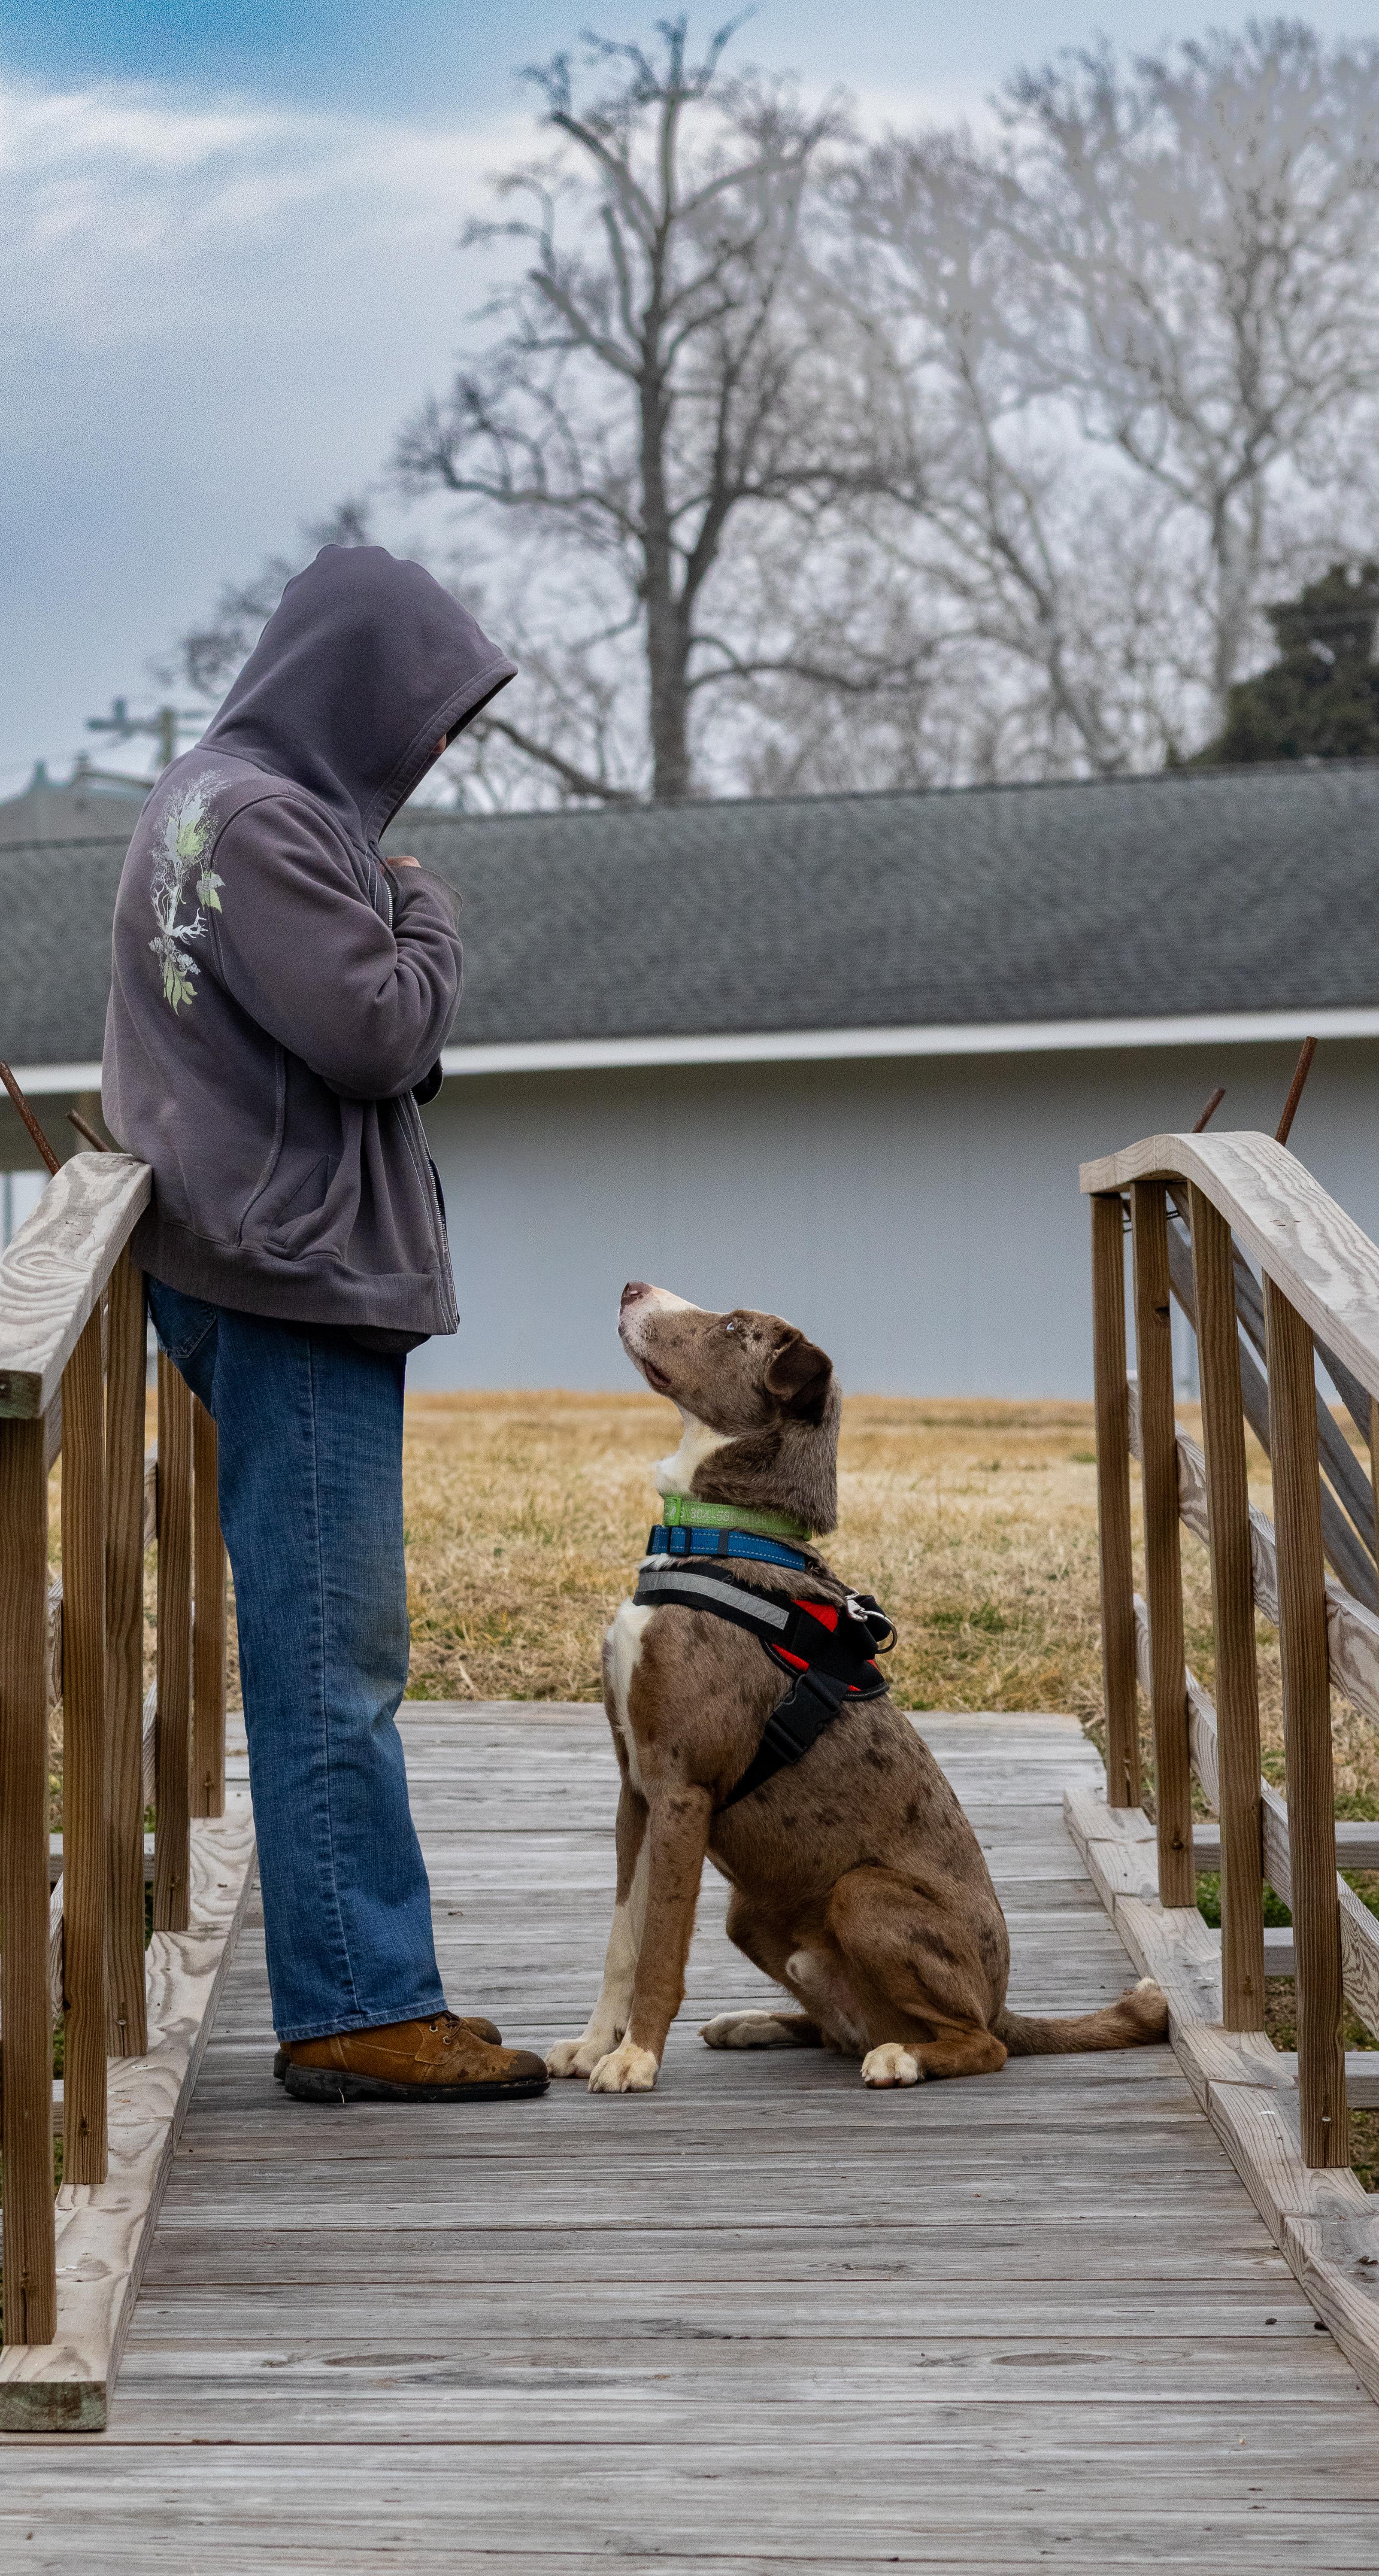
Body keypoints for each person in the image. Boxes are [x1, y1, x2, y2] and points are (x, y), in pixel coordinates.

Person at [102, 544, 549, 2105]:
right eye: (427, 713)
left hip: (246, 1256)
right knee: (330, 1655)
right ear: (357, 685)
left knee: (323, 1645)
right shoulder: (279, 823)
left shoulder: (207, 799)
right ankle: (357, 2007)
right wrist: (426, 922)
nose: (430, 749)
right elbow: (375, 1029)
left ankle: (370, 1984)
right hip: (287, 1278)